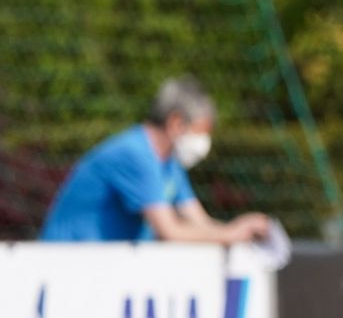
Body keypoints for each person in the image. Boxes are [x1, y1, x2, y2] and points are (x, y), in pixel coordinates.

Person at [39, 76, 273, 244]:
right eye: (200, 132)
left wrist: (243, 229)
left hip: (102, 267)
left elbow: (199, 222)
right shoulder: (135, 154)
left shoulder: (170, 163)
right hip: (67, 264)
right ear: (176, 123)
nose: (204, 143)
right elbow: (170, 230)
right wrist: (230, 233)